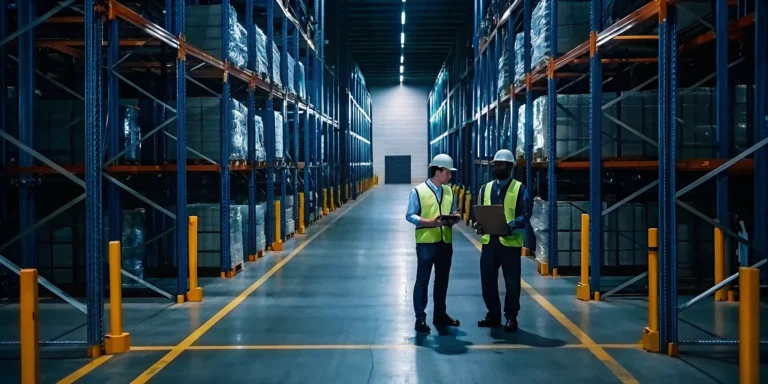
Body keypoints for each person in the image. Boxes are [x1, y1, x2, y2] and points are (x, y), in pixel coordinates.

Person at [473, 149, 530, 332]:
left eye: (502, 164)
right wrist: (478, 225)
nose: (498, 167)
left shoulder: (520, 189)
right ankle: (493, 314)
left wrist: (511, 225)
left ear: (510, 167)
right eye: (496, 164)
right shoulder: (486, 188)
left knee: (512, 282)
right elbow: (481, 211)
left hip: (510, 243)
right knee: (487, 280)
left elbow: (526, 214)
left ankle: (511, 317)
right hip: (490, 242)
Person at [405, 154, 462, 333]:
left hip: (445, 242)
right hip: (426, 243)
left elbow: (454, 209)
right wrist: (431, 223)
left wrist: (456, 217)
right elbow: (410, 215)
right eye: (448, 173)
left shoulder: (449, 191)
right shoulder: (418, 191)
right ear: (438, 172)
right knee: (422, 281)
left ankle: (440, 315)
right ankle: (420, 319)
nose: (450, 176)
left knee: (442, 281)